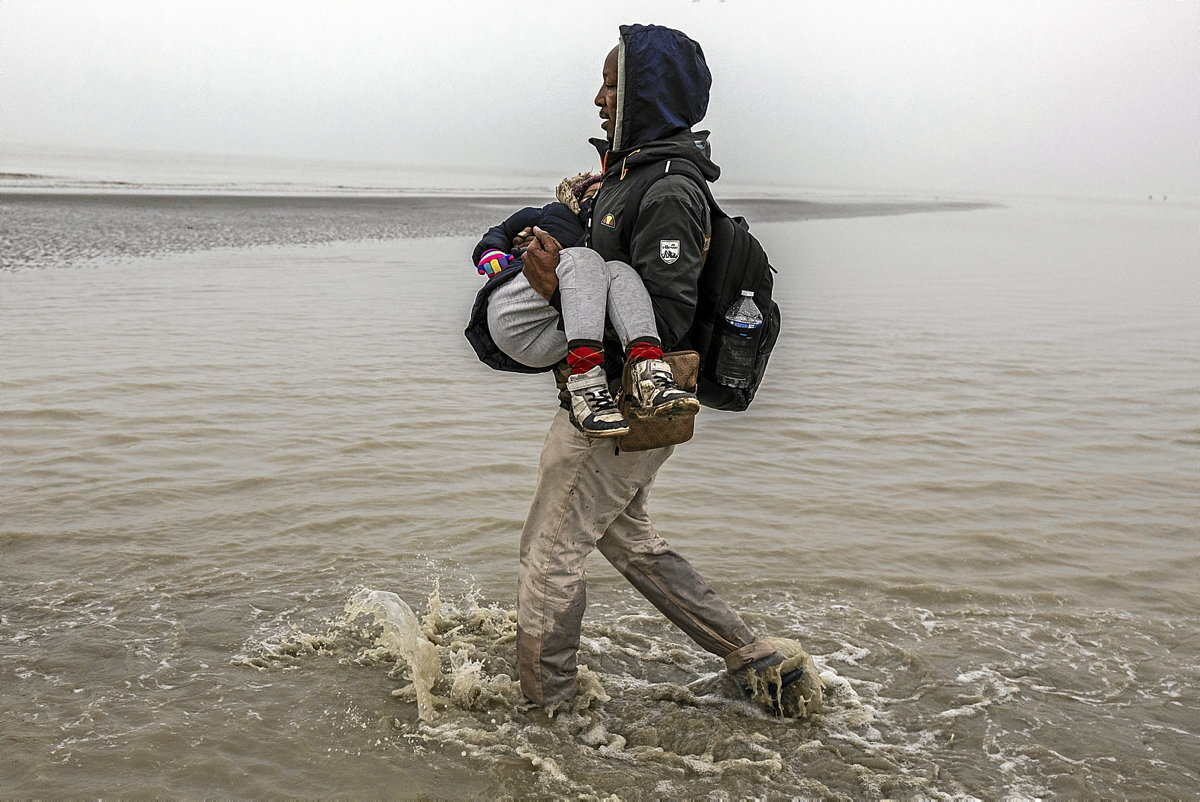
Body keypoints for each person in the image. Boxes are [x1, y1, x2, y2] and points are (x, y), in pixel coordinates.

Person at [513, 24, 805, 715]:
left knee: (548, 555)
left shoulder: (670, 188)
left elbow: (664, 322)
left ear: (649, 92)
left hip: (621, 406)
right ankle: (758, 661)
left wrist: (559, 290)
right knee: (628, 539)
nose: (598, 97)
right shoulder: (632, 177)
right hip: (618, 404)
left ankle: (547, 718)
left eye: (612, 84)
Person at [471, 173, 699, 436]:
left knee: (619, 270)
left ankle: (648, 374)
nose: (597, 198)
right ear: (576, 196)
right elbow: (500, 231)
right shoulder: (551, 213)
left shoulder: (612, 229)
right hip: (513, 315)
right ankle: (586, 383)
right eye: (591, 192)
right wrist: (493, 252)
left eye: (605, 193)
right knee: (585, 258)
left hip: (550, 339)